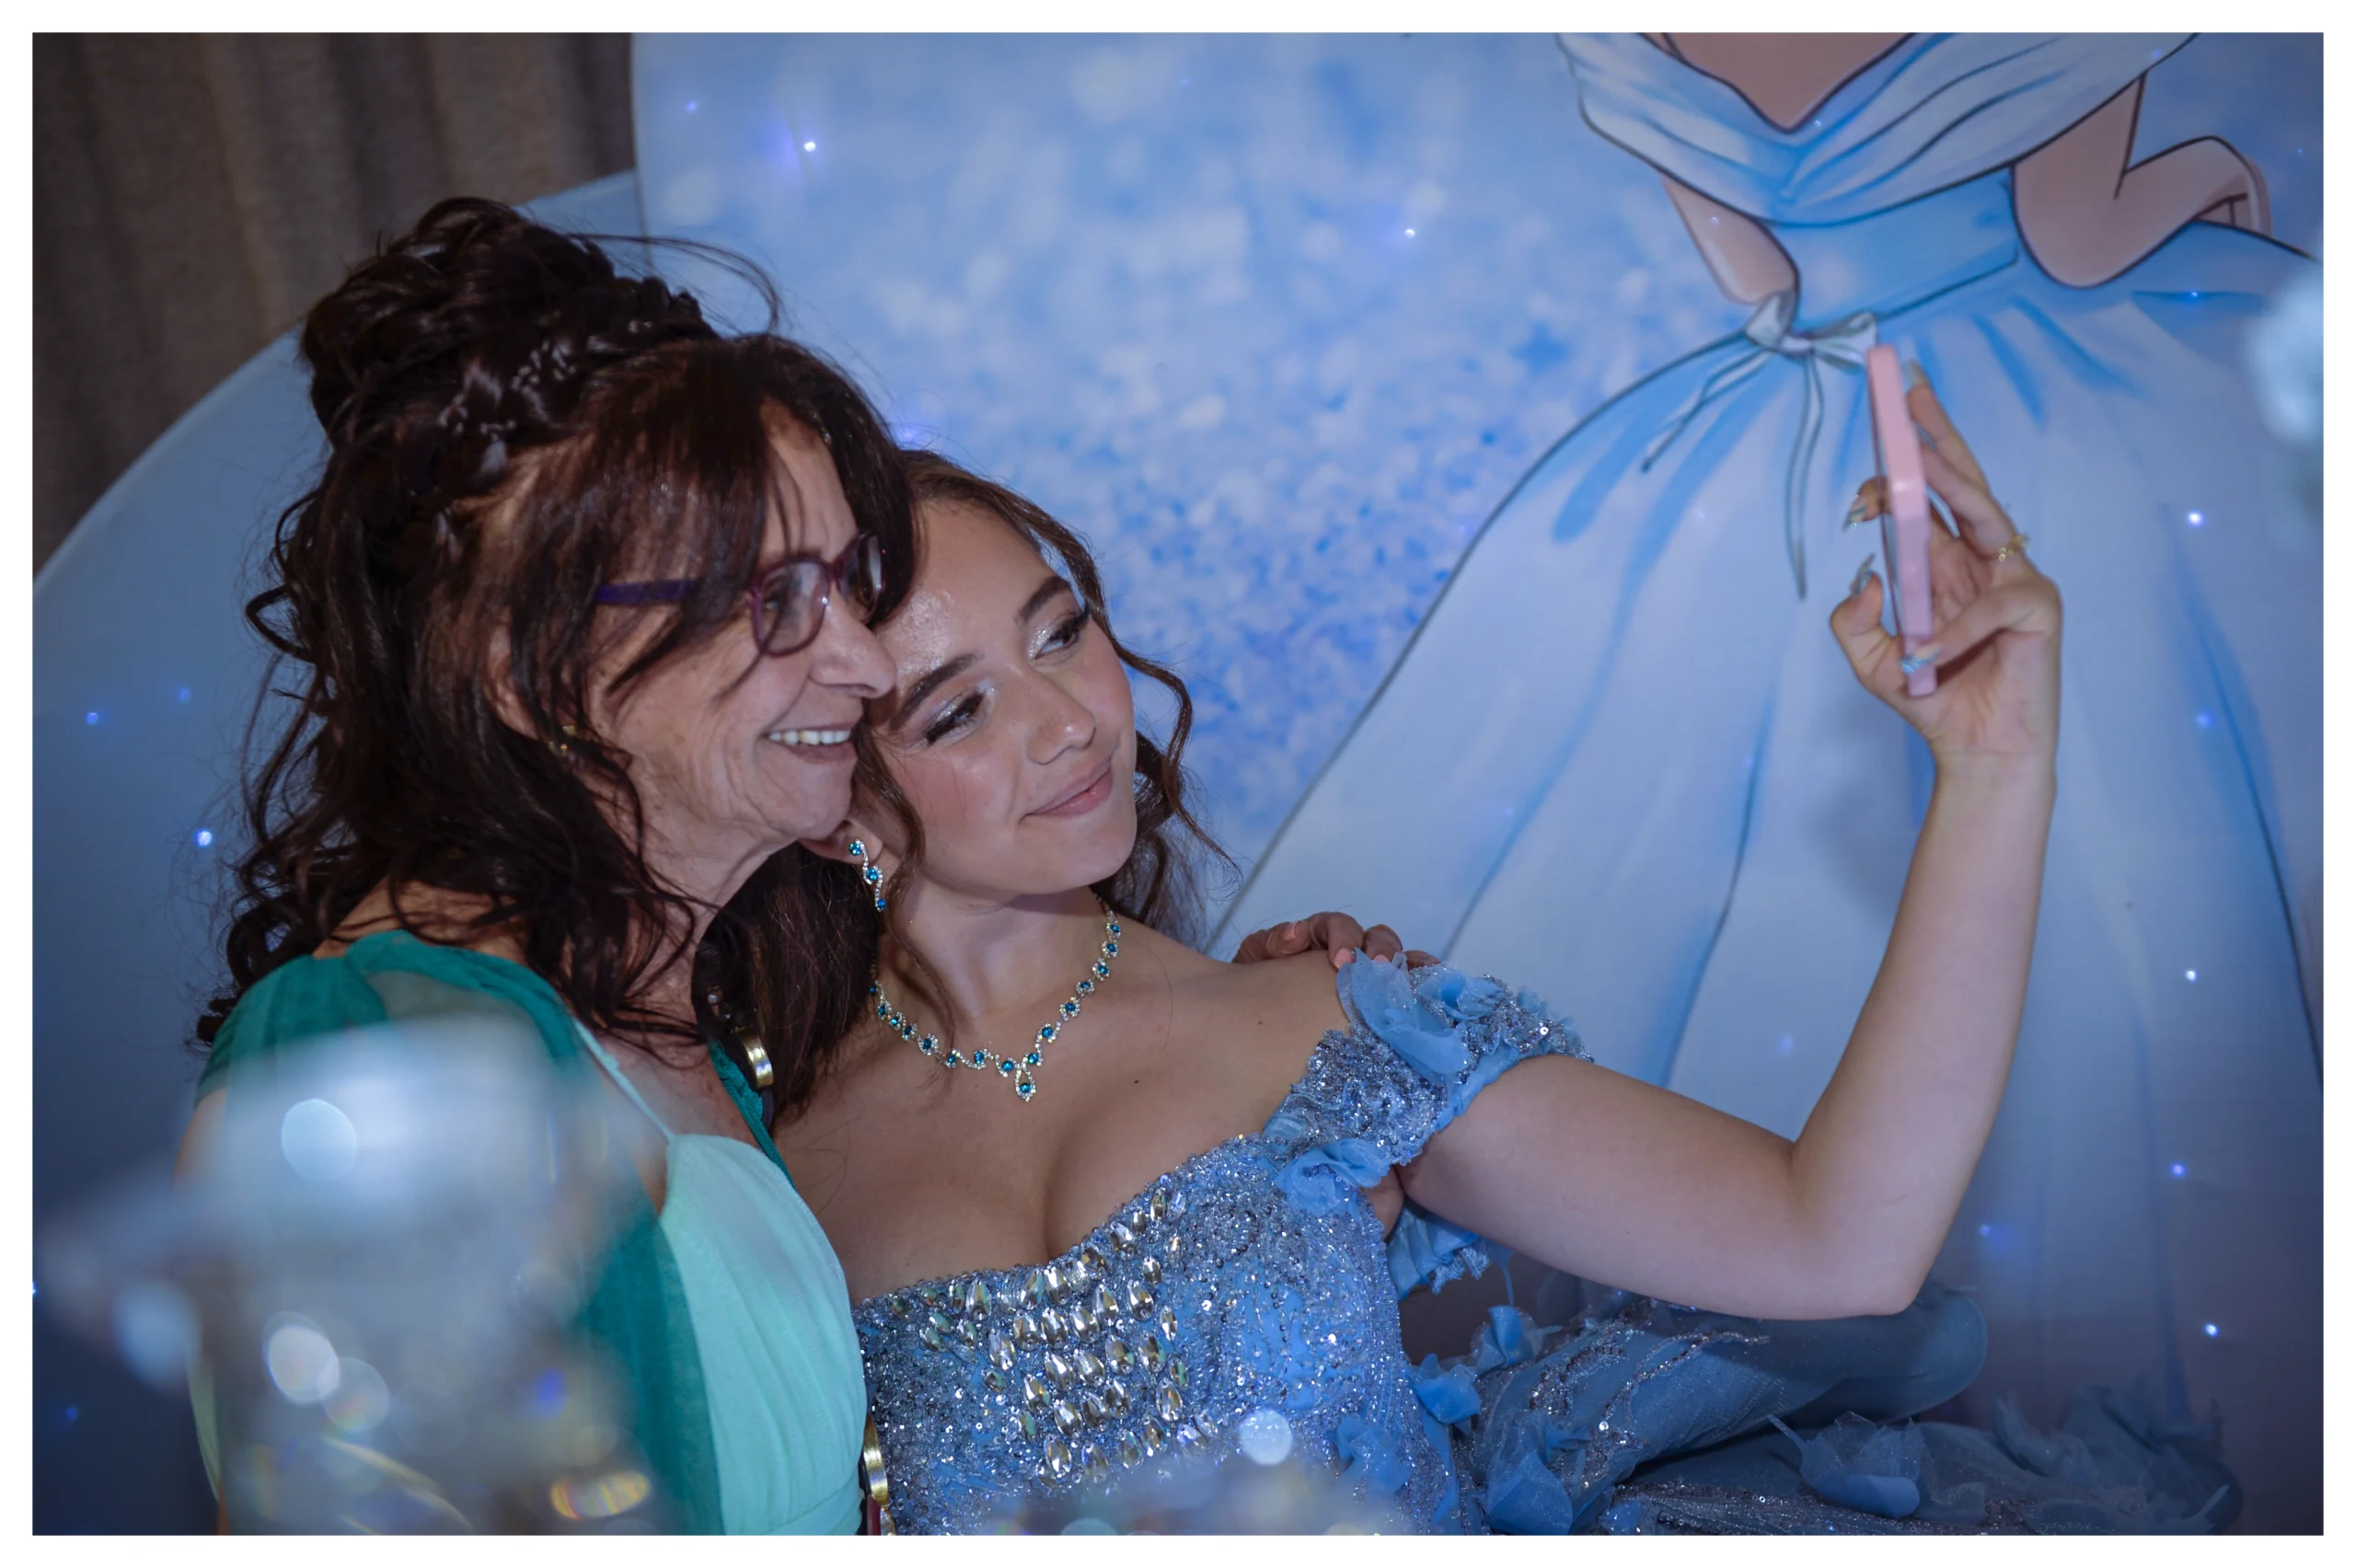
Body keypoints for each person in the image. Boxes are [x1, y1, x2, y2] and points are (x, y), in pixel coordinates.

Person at [1218, 32, 2320, 1528]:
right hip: (2012, 422)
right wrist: (2209, 177)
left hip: (1768, 448)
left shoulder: (1640, 31)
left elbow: (1757, 276)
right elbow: (2075, 229)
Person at [172, 197, 1385, 1534]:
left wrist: (1297, 1060)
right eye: (775, 603)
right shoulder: (386, 1058)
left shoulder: (700, 1030)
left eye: (842, 582)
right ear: (535, 673)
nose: (861, 664)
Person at [766, 429, 2230, 1531]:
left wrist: (1994, 765)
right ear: (835, 795)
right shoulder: (767, 1150)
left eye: (1062, 631)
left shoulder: (1326, 1022)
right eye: (959, 710)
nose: (1070, 722)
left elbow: (1838, 1236)